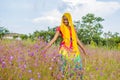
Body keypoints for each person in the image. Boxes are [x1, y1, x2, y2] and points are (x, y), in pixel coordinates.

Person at [43, 12, 87, 80]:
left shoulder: (73, 29)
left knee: (78, 68)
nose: (65, 21)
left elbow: (77, 40)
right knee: (64, 67)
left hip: (74, 50)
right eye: (64, 19)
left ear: (70, 19)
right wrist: (45, 48)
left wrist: (84, 50)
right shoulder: (60, 28)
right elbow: (54, 39)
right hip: (65, 49)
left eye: (67, 19)